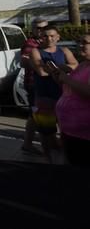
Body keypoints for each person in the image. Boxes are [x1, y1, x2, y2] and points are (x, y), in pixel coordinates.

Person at [30, 24, 77, 163]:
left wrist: (56, 67)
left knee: (66, 129)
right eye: (46, 36)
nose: (49, 38)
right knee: (46, 131)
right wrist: (62, 69)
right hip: (44, 96)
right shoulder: (36, 51)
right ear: (41, 37)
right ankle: (47, 158)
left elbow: (75, 66)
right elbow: (41, 72)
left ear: (58, 37)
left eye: (52, 36)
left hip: (64, 96)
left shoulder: (64, 51)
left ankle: (66, 155)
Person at [50, 34, 90, 165]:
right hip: (69, 132)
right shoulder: (83, 65)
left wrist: (66, 79)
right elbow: (69, 89)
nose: (80, 45)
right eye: (79, 41)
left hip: (84, 136)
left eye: (85, 42)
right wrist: (58, 77)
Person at [20, 18, 48, 155]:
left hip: (47, 84)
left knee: (38, 114)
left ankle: (30, 144)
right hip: (34, 84)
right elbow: (24, 62)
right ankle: (30, 144)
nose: (41, 30)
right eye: (38, 28)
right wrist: (41, 67)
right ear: (33, 30)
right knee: (36, 114)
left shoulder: (45, 42)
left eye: (44, 28)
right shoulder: (30, 44)